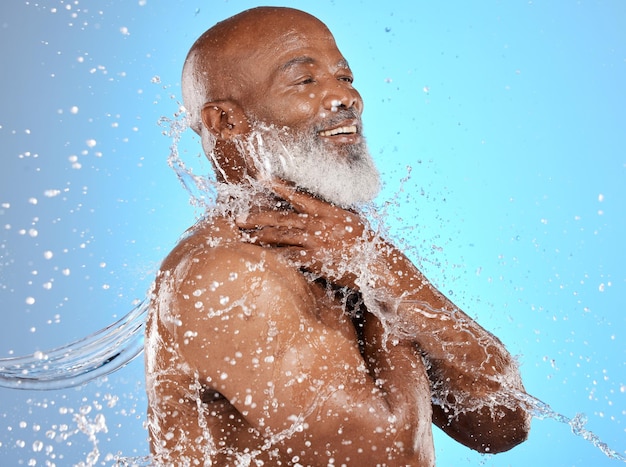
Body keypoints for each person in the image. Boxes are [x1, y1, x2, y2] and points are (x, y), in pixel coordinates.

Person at [145, 6, 531, 466]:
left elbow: (502, 425)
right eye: (305, 81)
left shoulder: (337, 247)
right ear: (225, 122)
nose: (346, 98)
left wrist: (386, 274)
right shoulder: (226, 275)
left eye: (345, 77)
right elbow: (394, 458)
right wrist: (380, 274)